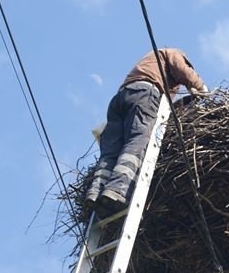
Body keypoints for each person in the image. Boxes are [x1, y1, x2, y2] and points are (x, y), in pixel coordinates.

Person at [86, 48, 207, 218]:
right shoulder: (172, 54)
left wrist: (189, 101)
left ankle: (95, 192)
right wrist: (201, 87)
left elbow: (164, 109)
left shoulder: (151, 66)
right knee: (138, 140)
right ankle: (118, 189)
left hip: (121, 99)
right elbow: (181, 69)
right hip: (145, 93)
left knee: (111, 153)